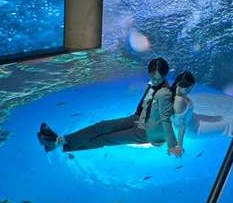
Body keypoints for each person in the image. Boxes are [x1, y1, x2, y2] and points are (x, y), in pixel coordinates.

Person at [37, 57, 183, 157]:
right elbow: (144, 105)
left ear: (164, 76)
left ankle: (58, 144)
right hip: (138, 119)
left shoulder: (166, 95)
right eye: (152, 77)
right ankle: (59, 141)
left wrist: (173, 145)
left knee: (105, 139)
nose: (154, 81)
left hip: (149, 132)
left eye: (158, 78)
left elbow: (166, 121)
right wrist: (137, 116)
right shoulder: (153, 85)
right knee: (102, 126)